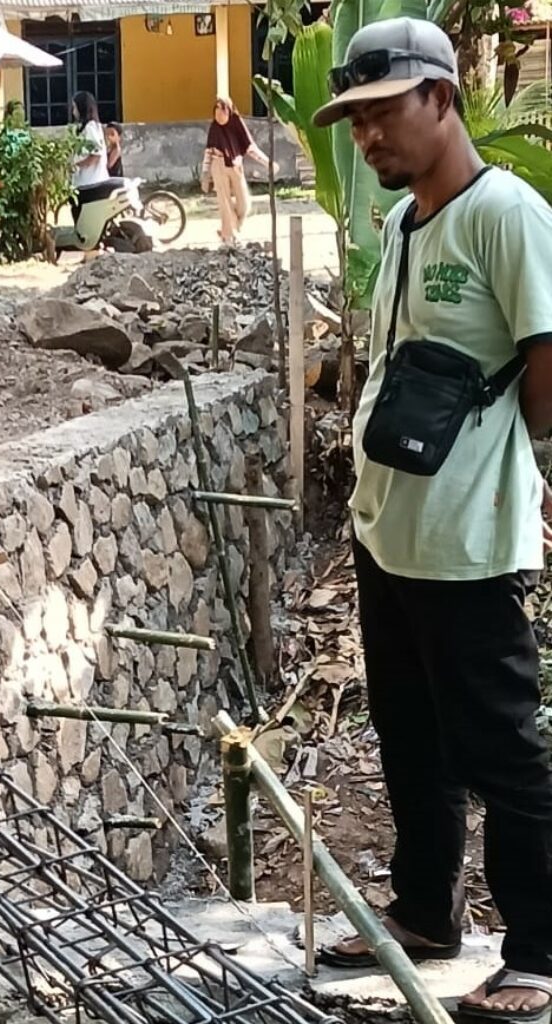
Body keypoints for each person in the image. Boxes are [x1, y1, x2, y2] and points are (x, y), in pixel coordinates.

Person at [313, 17, 552, 1023]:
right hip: (389, 533)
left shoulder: (508, 215)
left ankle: (537, 955)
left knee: (500, 747)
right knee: (407, 735)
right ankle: (425, 913)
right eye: (354, 121)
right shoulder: (403, 223)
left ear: (441, 100)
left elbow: (545, 362)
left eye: (382, 113)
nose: (367, 138)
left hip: (468, 543)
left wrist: (509, 462)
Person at [201, 96, 274, 245]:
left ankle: (229, 229)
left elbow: (250, 148)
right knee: (225, 202)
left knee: (244, 204)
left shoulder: (236, 125)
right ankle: (228, 237)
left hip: (235, 165)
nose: (219, 114)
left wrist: (267, 162)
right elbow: (208, 152)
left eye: (222, 110)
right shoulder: (214, 128)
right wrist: (205, 174)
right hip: (218, 165)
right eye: (216, 110)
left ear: (229, 110)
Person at [71, 90, 109, 189]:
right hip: (90, 181)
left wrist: (76, 166)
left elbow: (96, 155)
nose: (73, 111)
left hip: (90, 182)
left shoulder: (90, 127)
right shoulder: (94, 126)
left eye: (75, 107)